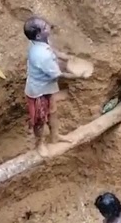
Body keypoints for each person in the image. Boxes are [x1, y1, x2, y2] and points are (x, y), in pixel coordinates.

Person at [23, 16, 79, 150]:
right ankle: (40, 144)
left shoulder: (39, 41)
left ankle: (55, 136)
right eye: (44, 27)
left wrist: (65, 57)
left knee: (53, 112)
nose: (48, 26)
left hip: (47, 87)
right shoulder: (41, 55)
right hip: (38, 92)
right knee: (39, 120)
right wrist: (77, 75)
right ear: (37, 35)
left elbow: (52, 50)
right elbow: (58, 74)